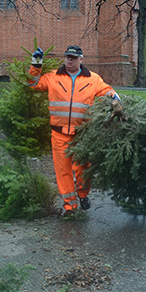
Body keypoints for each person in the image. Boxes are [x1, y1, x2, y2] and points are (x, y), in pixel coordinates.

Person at [28, 45, 124, 217]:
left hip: (82, 134)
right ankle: (70, 207)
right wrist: (36, 64)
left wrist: (117, 102)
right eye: (67, 57)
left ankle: (83, 195)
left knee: (82, 169)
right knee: (63, 171)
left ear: (81, 59)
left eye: (73, 57)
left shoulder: (93, 79)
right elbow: (33, 84)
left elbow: (108, 91)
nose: (70, 60)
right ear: (64, 58)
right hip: (59, 133)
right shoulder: (53, 77)